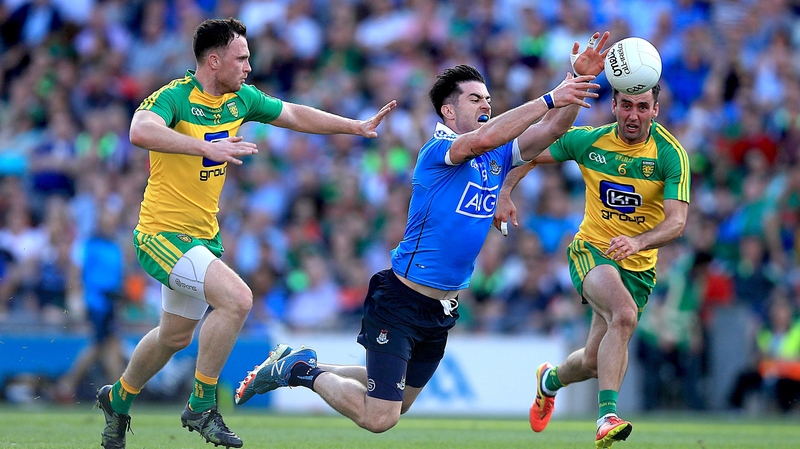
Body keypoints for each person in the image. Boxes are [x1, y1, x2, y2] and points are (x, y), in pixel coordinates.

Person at [233, 32, 611, 434]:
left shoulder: (498, 154)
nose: (486, 104)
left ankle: (295, 362)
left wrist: (579, 81)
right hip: (402, 300)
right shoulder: (438, 150)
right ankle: (298, 370)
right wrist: (550, 96)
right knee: (381, 417)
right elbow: (485, 138)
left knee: (397, 397)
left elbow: (551, 130)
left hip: (441, 309)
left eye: (487, 98)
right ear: (448, 111)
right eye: (475, 99)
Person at [95, 17, 396, 449]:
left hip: (201, 238)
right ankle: (201, 405)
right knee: (237, 299)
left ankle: (118, 400)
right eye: (241, 58)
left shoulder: (241, 99)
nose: (249, 66)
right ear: (213, 61)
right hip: (161, 235)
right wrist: (205, 146)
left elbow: (293, 113)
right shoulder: (174, 97)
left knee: (174, 336)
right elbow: (139, 130)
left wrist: (354, 126)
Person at [493, 78, 691, 447]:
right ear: (614, 106)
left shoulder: (670, 153)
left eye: (642, 107)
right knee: (624, 315)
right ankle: (607, 418)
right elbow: (529, 151)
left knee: (593, 362)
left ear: (655, 110)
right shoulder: (590, 141)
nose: (633, 115)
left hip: (638, 267)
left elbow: (677, 222)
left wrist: (638, 242)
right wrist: (505, 190)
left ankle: (549, 380)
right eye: (626, 105)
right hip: (592, 251)